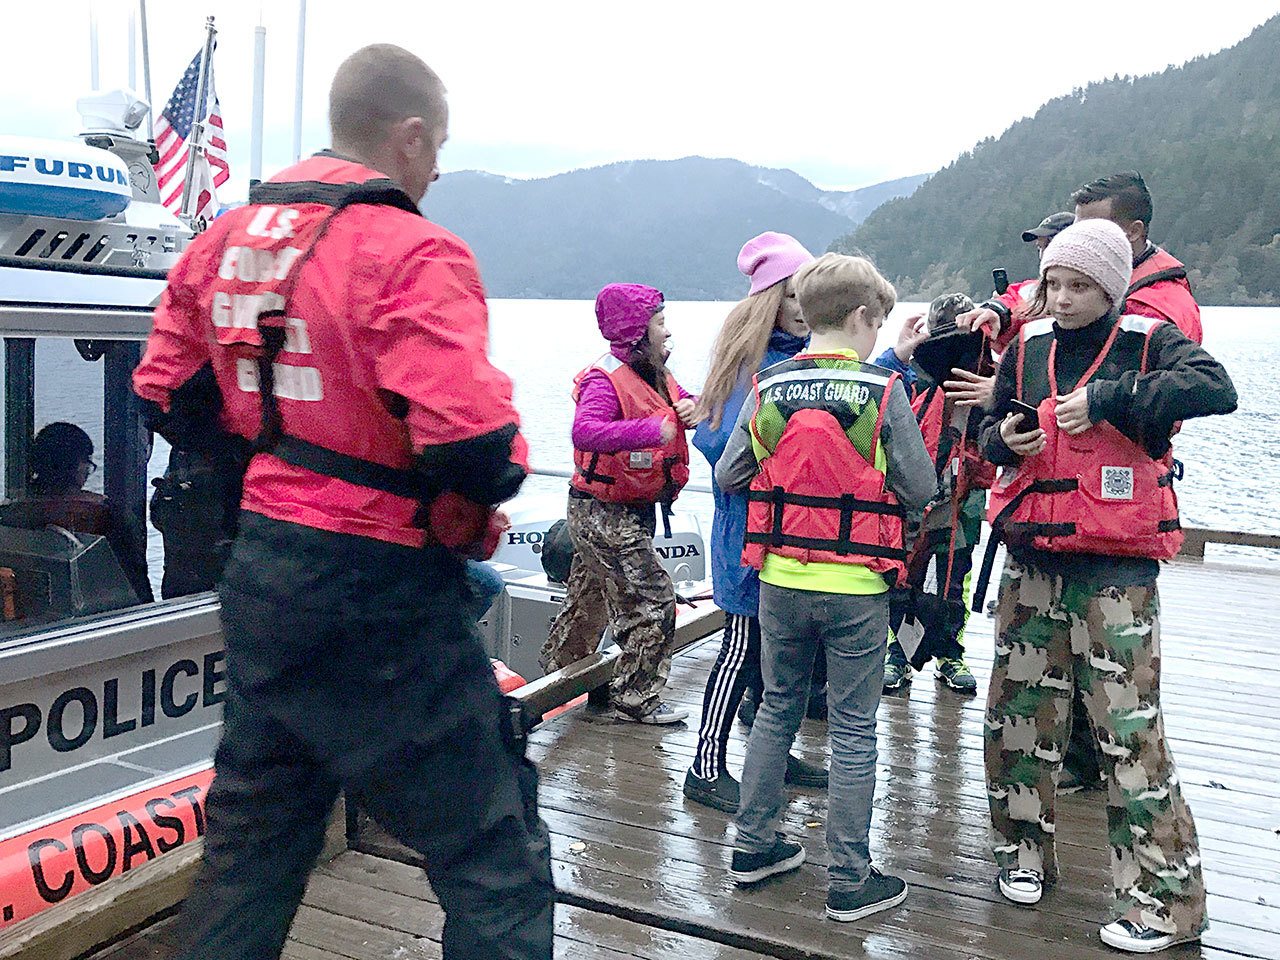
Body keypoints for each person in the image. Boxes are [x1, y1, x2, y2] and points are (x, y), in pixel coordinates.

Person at [131, 45, 554, 960]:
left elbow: (163, 392)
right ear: (408, 139)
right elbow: (474, 443)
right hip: (382, 593)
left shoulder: (221, 239)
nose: (438, 168)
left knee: (252, 850)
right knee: (494, 859)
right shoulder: (411, 250)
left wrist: (272, 459)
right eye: (437, 147)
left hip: (263, 575)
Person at [978, 219, 1235, 953]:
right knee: (1018, 719)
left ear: (1112, 288)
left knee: (1129, 737)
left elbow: (1217, 388)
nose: (1060, 298)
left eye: (1079, 286)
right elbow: (986, 432)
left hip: (1115, 573)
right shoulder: (1025, 349)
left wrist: (1114, 398)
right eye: (1053, 283)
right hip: (1032, 564)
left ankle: (1165, 904)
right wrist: (1004, 441)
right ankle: (1022, 853)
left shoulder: (1150, 342)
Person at [718, 254, 934, 921]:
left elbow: (730, 473)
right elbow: (920, 489)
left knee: (776, 709)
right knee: (853, 727)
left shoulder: (770, 385)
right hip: (857, 590)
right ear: (866, 317)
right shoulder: (881, 391)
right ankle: (848, 878)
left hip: (779, 581)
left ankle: (752, 849)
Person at [682, 231, 828, 813]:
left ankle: (776, 751)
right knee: (740, 648)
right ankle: (705, 765)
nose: (806, 308)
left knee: (780, 655)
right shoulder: (750, 369)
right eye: (795, 296)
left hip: (784, 537)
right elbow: (720, 449)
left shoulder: (792, 363)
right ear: (772, 301)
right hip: (746, 536)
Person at [540, 283, 698, 724]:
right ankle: (636, 697)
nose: (667, 332)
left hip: (627, 507)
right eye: (660, 322)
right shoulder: (604, 379)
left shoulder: (654, 373)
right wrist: (652, 431)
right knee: (653, 599)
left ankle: (556, 677)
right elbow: (585, 432)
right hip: (601, 512)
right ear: (637, 329)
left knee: (589, 599)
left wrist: (691, 409)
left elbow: (683, 400)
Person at [874, 293, 995, 694]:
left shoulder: (990, 381)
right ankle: (897, 654)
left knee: (954, 577)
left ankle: (950, 654)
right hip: (911, 502)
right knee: (902, 579)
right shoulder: (911, 380)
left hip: (962, 501)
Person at [0, 421, 154, 604]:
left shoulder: (10, 514)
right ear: (78, 467)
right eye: (87, 464)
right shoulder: (103, 515)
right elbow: (135, 588)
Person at [1073, 171, 1202, 344]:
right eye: (1076, 229)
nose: (1076, 238)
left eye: (1093, 230)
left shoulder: (1150, 310)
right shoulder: (1121, 281)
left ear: (1133, 231)